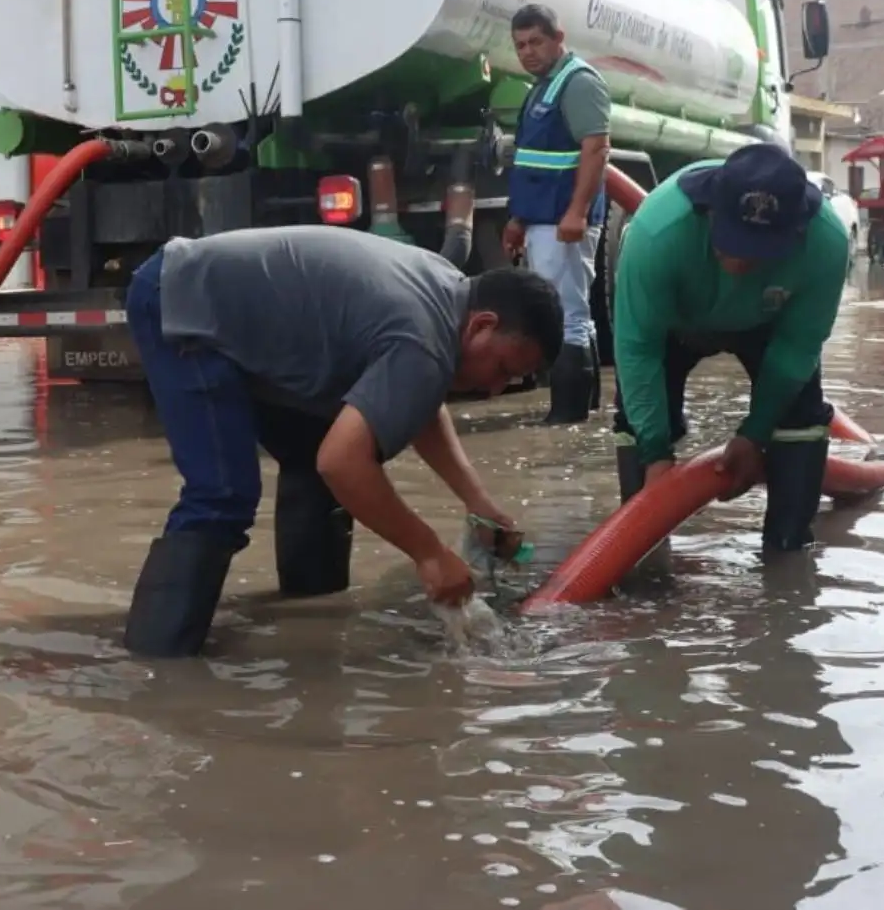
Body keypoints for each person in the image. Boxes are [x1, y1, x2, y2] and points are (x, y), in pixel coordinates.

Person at [120, 226, 564, 657]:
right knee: (222, 495)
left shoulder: (447, 295)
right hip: (180, 302)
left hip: (212, 298)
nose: (495, 389)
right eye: (503, 369)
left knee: (310, 456)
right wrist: (429, 554)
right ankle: (156, 667)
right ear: (482, 325)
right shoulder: (423, 338)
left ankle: (307, 611)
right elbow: (343, 462)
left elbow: (418, 400)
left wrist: (477, 501)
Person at [610, 142, 849, 557]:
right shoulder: (657, 233)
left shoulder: (826, 242)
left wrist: (755, 435)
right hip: (676, 325)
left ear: (798, 230)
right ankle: (641, 558)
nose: (739, 262)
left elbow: (798, 348)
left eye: (758, 250)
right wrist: (655, 453)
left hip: (768, 324)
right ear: (709, 211)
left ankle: (788, 558)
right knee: (638, 421)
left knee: (800, 418)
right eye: (731, 242)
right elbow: (637, 350)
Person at [500, 4, 612, 424]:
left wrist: (577, 213)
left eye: (536, 42)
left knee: (567, 315)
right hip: (543, 218)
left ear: (558, 38)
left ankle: (567, 419)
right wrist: (518, 219)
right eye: (520, 45)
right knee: (573, 312)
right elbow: (534, 161)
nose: (527, 52)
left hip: (563, 221)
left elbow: (597, 149)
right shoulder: (543, 86)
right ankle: (585, 410)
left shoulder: (578, 83)